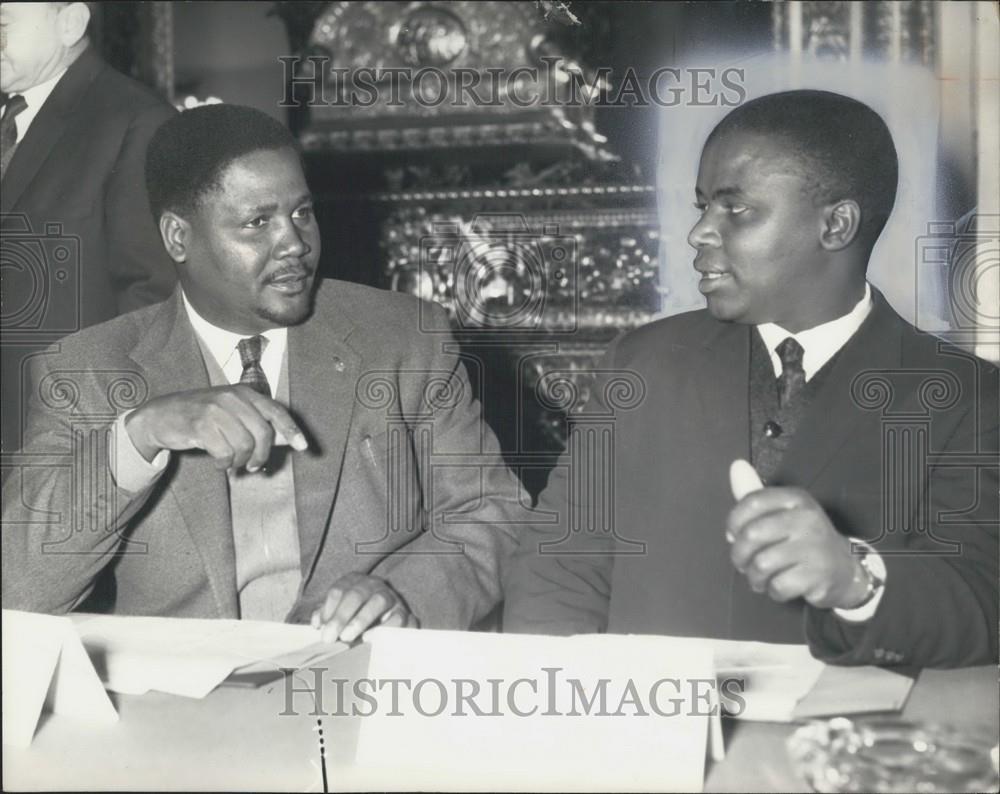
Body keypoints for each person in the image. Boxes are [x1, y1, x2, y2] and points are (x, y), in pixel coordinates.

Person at [503, 90, 998, 668]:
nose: (701, 233)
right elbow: (560, 567)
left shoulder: (968, 398)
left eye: (735, 209)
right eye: (702, 206)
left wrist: (855, 580)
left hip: (837, 747)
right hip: (644, 742)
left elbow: (983, 603)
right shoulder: (642, 363)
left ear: (835, 225)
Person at [2, 104, 526, 641]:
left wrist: (401, 595)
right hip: (177, 710)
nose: (295, 244)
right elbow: (18, 589)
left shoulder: (404, 337)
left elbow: (492, 512)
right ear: (177, 237)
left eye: (302, 213)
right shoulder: (86, 371)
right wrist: (138, 435)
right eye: (258, 222)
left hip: (356, 682)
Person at [1, 2, 177, 451]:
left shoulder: (136, 120)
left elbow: (151, 303)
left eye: (1, 22)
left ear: (70, 23)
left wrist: (106, 442)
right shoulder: (10, 117)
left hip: (62, 434)